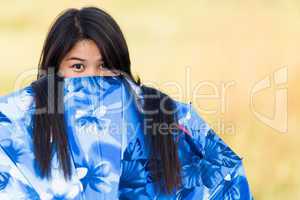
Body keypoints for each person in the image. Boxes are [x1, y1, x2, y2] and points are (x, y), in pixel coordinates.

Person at [0, 6, 253, 199]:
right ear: (53, 70)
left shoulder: (164, 119)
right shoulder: (17, 127)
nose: (93, 80)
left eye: (105, 66)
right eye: (78, 66)